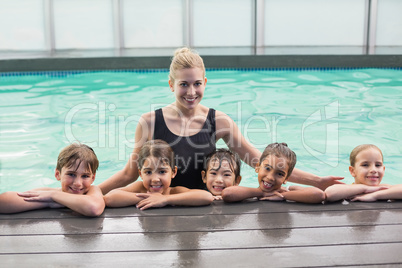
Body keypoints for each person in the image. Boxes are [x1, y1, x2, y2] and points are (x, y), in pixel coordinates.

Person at [99, 47, 343, 194]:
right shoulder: (150, 122)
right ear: (171, 85)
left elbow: (258, 162)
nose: (191, 92)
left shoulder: (219, 121)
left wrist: (318, 181)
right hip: (163, 202)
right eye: (183, 84)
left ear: (205, 83)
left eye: (197, 84)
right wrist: (91, 192)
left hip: (208, 204)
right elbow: (129, 174)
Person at [103, 139, 214, 210]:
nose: (155, 179)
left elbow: (206, 196)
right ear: (140, 173)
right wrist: (148, 198)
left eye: (162, 172)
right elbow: (110, 198)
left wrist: (165, 199)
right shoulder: (139, 188)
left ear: (173, 172)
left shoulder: (174, 192)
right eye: (148, 172)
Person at [0, 143, 105, 216]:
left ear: (93, 178)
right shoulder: (48, 192)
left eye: (85, 176)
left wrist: (53, 197)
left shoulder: (93, 191)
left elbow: (93, 208)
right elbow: (4, 201)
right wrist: (49, 202)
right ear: (57, 174)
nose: (78, 183)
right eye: (71, 174)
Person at [222, 143, 325, 204]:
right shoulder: (248, 192)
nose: (270, 177)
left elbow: (319, 195)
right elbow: (227, 194)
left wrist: (284, 196)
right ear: (257, 167)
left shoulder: (289, 191)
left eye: (279, 174)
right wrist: (262, 193)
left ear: (286, 178)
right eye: (267, 168)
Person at [325, 144, 402, 202]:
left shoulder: (382, 188)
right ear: (352, 171)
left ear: (383, 169)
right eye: (365, 165)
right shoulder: (349, 189)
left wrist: (375, 195)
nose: (373, 170)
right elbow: (329, 194)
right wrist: (365, 188)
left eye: (378, 165)